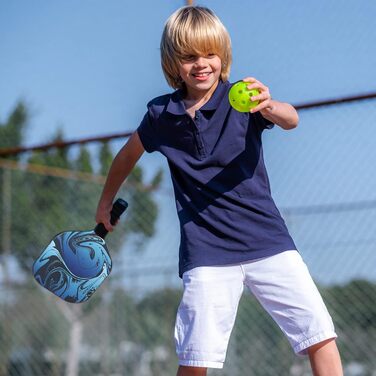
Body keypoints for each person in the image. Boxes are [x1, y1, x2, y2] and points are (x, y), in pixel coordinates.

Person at [96, 5, 343, 376]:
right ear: (172, 62)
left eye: (210, 53)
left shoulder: (242, 98)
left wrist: (270, 105)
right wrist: (104, 202)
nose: (201, 64)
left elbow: (291, 119)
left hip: (268, 243)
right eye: (189, 56)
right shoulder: (160, 116)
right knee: (195, 359)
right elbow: (126, 156)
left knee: (319, 336)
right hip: (206, 255)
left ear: (222, 56)